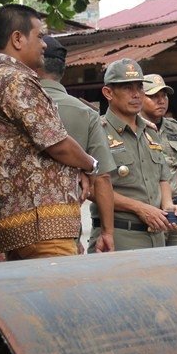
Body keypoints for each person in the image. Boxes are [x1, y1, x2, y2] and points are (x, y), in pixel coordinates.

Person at [0, 4, 97, 260]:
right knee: (59, 298)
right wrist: (89, 165)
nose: (44, 45)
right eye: (40, 36)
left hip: (20, 225)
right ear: (18, 39)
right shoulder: (16, 80)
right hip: (42, 227)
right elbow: (57, 144)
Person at [38, 36, 116, 253]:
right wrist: (107, 232)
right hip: (64, 228)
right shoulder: (86, 113)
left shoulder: (14, 103)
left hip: (15, 227)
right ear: (62, 70)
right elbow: (102, 179)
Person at [91, 58, 177, 252]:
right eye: (127, 88)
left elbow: (163, 177)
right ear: (108, 93)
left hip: (156, 237)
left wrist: (168, 204)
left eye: (139, 87)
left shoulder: (150, 131)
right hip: (119, 237)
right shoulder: (97, 131)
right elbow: (89, 189)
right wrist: (139, 208)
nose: (136, 94)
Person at [142, 74, 177, 246]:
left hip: (176, 208)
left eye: (164, 95)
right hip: (150, 212)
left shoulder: (175, 129)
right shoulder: (133, 130)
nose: (161, 101)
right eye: (153, 96)